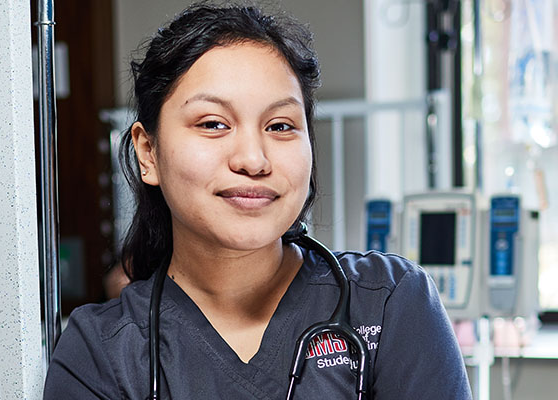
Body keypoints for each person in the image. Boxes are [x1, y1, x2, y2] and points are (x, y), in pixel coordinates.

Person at [44, 3, 470, 398]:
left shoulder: (390, 303)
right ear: (148, 153)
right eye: (213, 123)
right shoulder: (99, 354)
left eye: (280, 126)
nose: (253, 159)